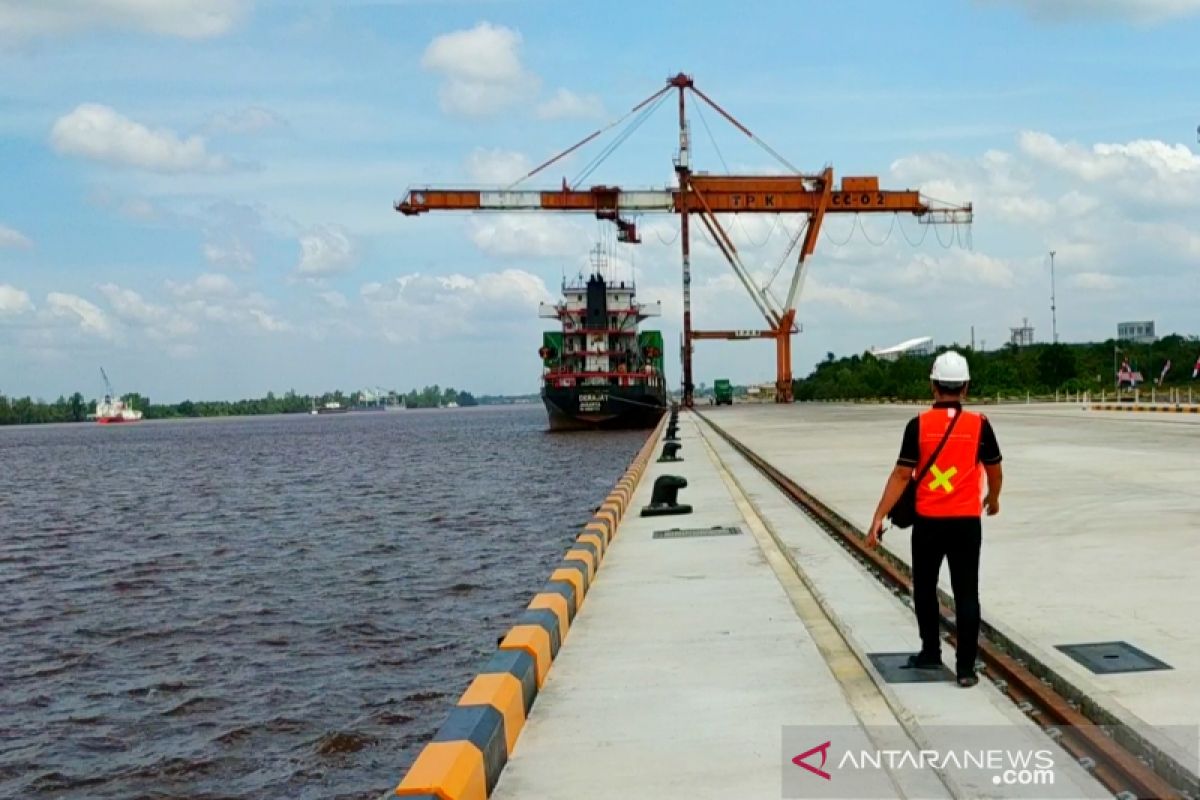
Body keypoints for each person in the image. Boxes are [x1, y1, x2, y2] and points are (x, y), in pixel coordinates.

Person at [866, 350, 1003, 687]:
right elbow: (995, 469)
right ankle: (967, 669)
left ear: (933, 386)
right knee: (967, 593)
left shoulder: (919, 425)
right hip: (966, 524)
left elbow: (901, 475)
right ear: (966, 387)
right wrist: (993, 498)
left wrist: (878, 518)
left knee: (925, 589)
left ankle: (930, 652)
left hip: (929, 523)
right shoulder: (979, 425)